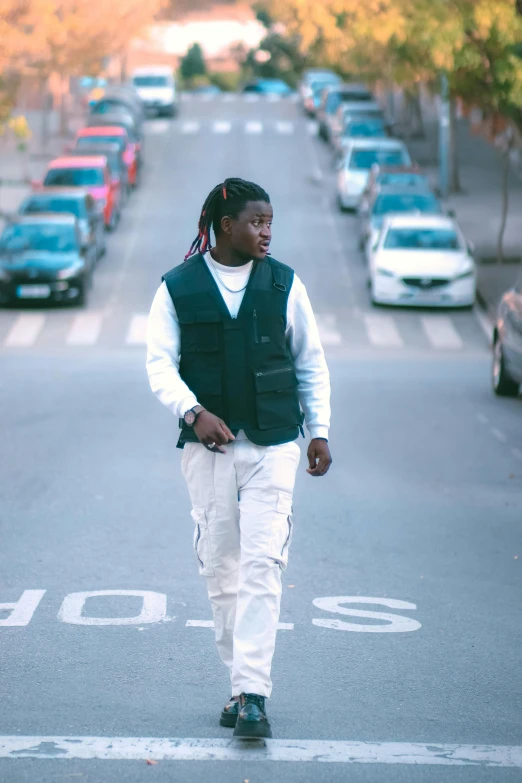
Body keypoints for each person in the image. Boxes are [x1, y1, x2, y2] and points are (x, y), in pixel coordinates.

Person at [146, 177, 331, 739]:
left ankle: (254, 694)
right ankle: (239, 686)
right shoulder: (176, 287)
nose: (267, 232)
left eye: (271, 222)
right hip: (209, 455)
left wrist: (318, 431)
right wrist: (192, 411)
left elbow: (311, 362)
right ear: (226, 227)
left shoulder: (285, 285)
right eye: (256, 222)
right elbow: (159, 364)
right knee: (221, 572)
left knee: (261, 567)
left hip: (274, 445)